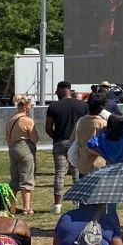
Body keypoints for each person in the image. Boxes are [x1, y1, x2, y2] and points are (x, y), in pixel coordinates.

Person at [44, 80, 87, 215]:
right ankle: (77, 202)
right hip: (76, 142)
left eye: (57, 90)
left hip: (60, 142)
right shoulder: (82, 105)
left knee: (59, 173)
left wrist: (56, 137)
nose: (56, 93)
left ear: (62, 90)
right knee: (76, 173)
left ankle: (57, 204)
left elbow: (48, 128)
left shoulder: (54, 106)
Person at [4, 95, 39, 215]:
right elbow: (34, 138)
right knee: (27, 177)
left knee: (15, 178)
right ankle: (26, 207)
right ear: (25, 106)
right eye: (30, 105)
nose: (31, 107)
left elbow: (7, 138)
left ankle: (10, 206)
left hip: (13, 148)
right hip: (25, 148)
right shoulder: (27, 120)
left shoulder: (11, 119)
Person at [74, 94, 109, 178]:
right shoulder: (104, 124)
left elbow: (74, 139)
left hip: (82, 163)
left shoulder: (81, 121)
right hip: (98, 164)